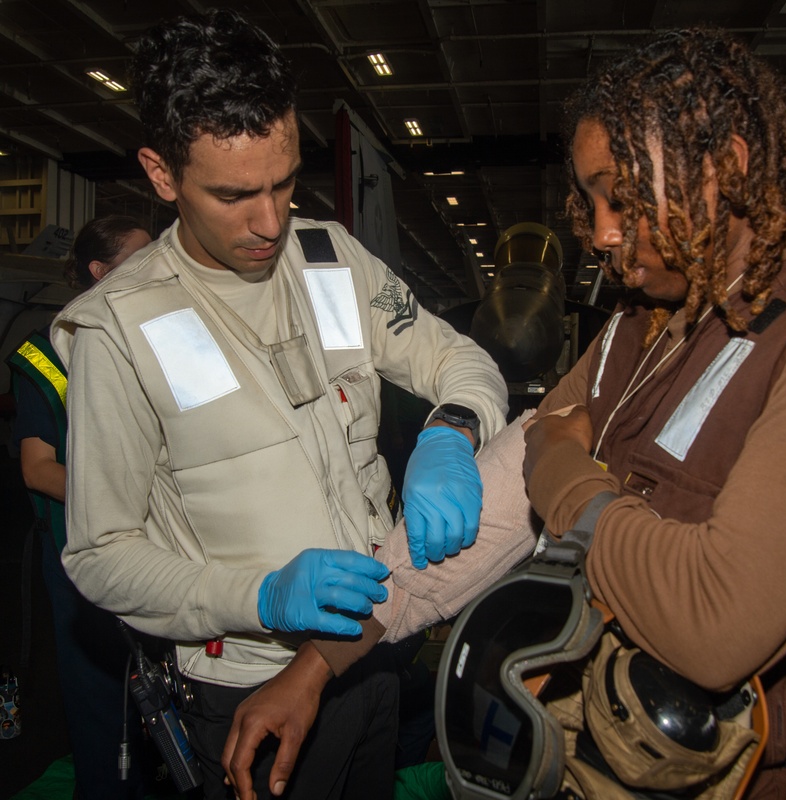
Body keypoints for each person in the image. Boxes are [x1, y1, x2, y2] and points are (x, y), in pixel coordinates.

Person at [49, 9, 507, 800]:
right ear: (162, 175)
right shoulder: (120, 329)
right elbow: (100, 554)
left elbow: (458, 358)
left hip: (370, 653)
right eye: (234, 195)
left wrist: (452, 432)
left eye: (285, 182)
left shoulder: (330, 258)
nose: (270, 223)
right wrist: (256, 596)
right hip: (248, 689)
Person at [517, 29, 786, 798]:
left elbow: (714, 622)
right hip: (600, 746)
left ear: (727, 170)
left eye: (622, 194)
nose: (605, 232)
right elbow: (544, 422)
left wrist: (563, 475)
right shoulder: (641, 320)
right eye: (592, 202)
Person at [6, 215, 153, 799]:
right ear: (99, 272)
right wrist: (129, 501)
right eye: (139, 259)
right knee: (100, 697)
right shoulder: (44, 356)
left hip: (152, 546)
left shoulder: (147, 338)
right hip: (79, 551)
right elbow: (38, 470)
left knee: (154, 691)